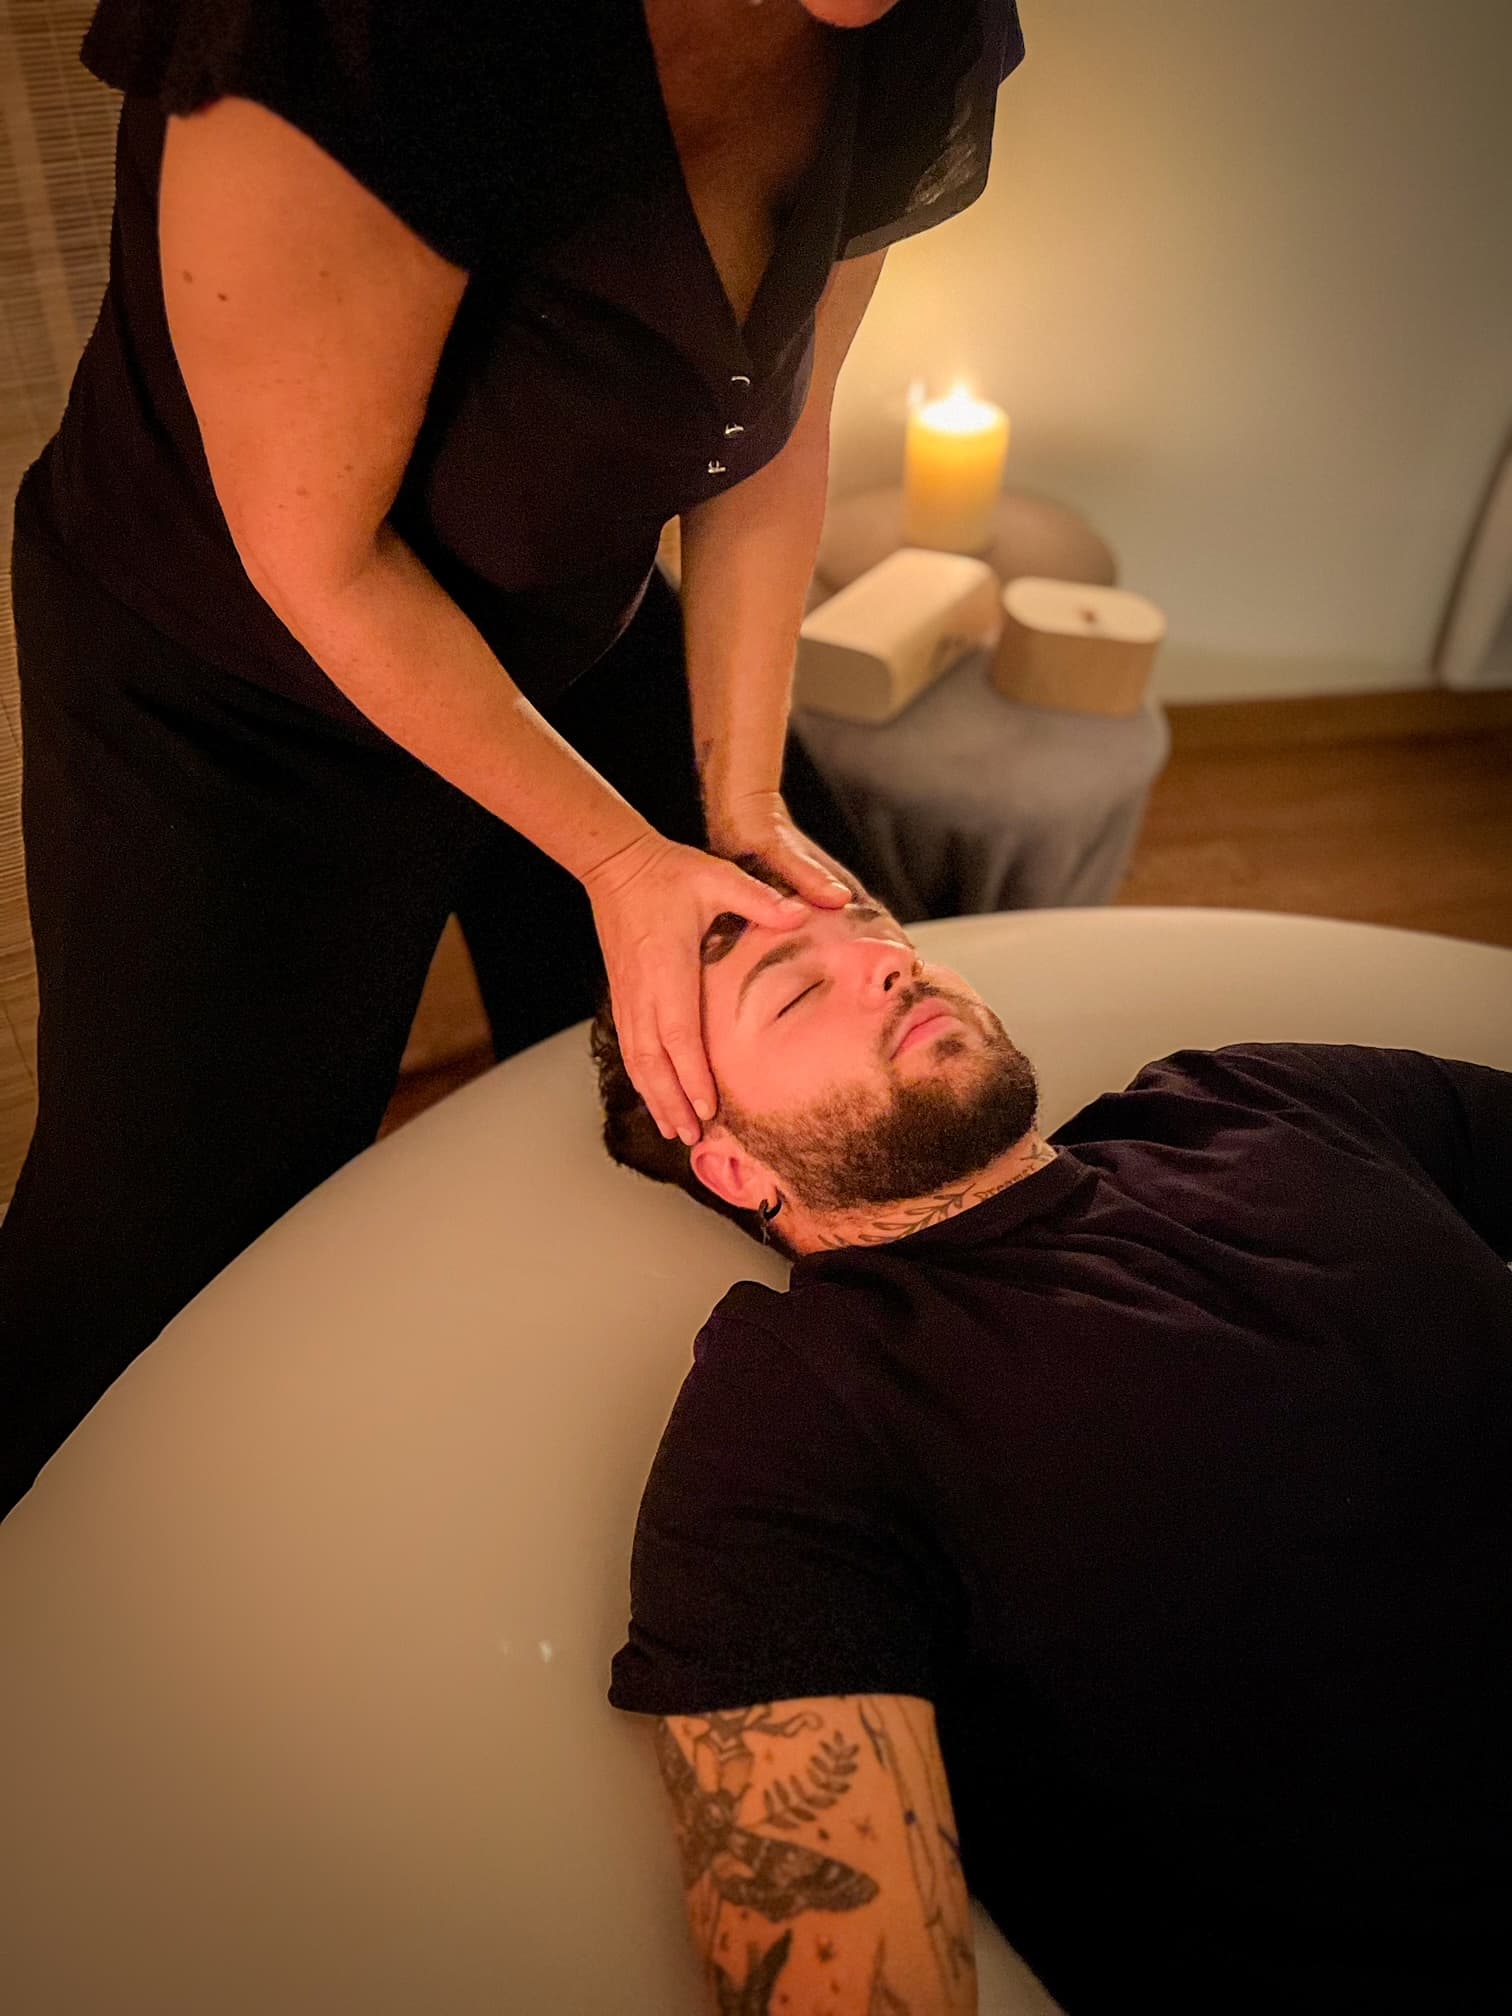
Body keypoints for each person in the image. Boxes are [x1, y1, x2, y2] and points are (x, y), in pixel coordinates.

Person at [0, 0, 1029, 1516]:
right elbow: (314, 553)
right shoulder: (350, 34)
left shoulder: (906, 22)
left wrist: (730, 803)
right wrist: (620, 857)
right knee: (154, 1260)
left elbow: (776, 420)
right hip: (233, 680)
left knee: (733, 1100)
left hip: (568, 609)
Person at [596, 868, 1512, 2015]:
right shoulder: (793, 1413)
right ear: (734, 1164)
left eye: (878, 931)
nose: (891, 963)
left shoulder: (1249, 1097)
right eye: (793, 993)